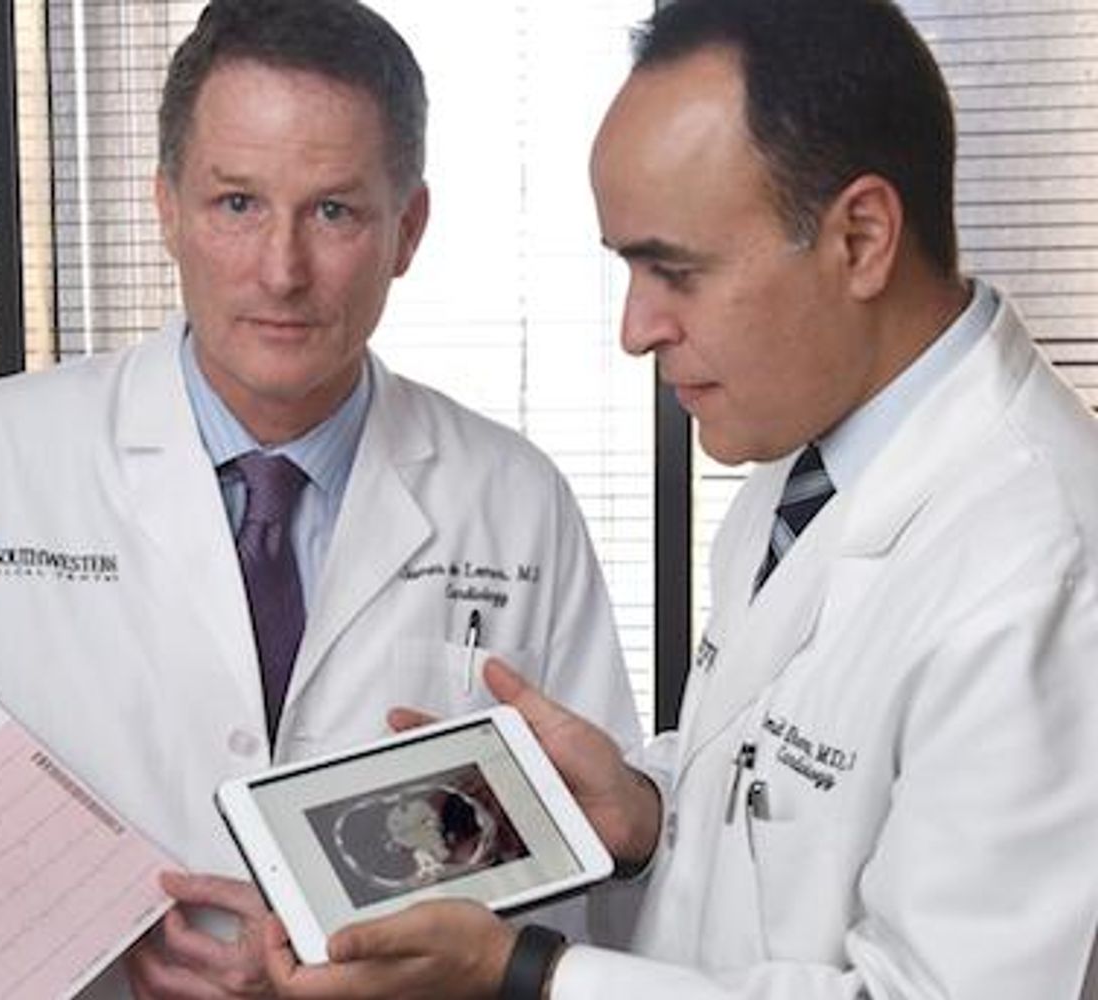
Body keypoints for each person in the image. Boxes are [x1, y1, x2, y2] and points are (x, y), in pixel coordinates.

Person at [0, 1, 644, 998]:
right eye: (235, 203)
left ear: (405, 230)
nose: (280, 271)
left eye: (333, 211)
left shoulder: (512, 498)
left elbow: (584, 874)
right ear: (165, 207)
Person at [261, 0, 1098, 997]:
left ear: (861, 238)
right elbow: (775, 809)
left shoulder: (1040, 559)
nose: (634, 328)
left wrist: (525, 974)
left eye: (675, 271)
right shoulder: (809, 465)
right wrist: (645, 812)